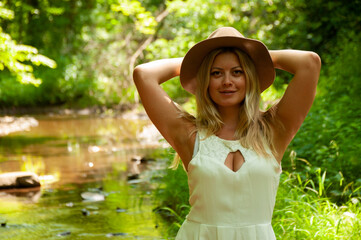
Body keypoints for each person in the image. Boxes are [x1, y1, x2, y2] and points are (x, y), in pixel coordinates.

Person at [133, 27, 321, 239]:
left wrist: (257, 56)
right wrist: (196, 62)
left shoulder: (273, 129)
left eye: (237, 71)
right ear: (205, 79)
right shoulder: (190, 135)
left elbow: (309, 63)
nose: (227, 81)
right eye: (216, 73)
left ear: (250, 75)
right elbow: (144, 74)